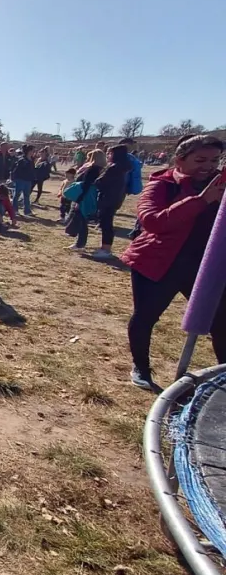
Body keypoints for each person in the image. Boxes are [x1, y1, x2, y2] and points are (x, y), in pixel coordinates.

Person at [120, 135, 226, 391]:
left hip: (205, 269)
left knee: (221, 322)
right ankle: (141, 368)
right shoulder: (162, 185)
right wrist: (202, 200)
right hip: (158, 265)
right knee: (146, 317)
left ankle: (223, 374)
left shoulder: (221, 186)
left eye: (214, 160)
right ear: (180, 160)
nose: (208, 166)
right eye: (199, 160)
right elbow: (153, 221)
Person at [88, 144, 133, 259]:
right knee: (107, 223)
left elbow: (100, 182)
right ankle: (105, 247)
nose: (108, 155)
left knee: (106, 224)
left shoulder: (114, 168)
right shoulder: (123, 167)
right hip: (115, 199)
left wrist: (97, 181)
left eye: (110, 153)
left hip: (108, 199)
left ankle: (106, 249)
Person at [67, 148, 107, 251]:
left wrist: (79, 200)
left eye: (89, 157)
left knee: (82, 220)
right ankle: (80, 242)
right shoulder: (101, 169)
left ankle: (80, 244)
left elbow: (86, 186)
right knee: (83, 219)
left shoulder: (92, 169)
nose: (87, 159)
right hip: (92, 195)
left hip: (86, 196)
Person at [10, 145, 36, 216]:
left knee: (26, 196)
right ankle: (14, 210)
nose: (34, 152)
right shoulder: (22, 160)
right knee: (17, 195)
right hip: (20, 180)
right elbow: (16, 170)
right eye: (33, 151)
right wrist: (14, 178)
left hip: (28, 180)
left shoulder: (32, 160)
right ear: (29, 151)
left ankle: (27, 211)